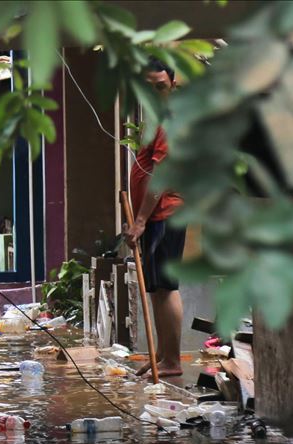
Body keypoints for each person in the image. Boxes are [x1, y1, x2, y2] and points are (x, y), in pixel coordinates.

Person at [124, 58, 185, 378]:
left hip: (165, 213)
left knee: (166, 287)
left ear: (172, 86)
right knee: (158, 288)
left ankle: (172, 361)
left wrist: (141, 220)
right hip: (158, 214)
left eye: (160, 87)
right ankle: (163, 354)